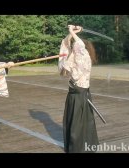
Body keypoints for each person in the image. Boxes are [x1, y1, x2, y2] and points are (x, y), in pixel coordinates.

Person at [58, 25, 99, 153]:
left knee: (78, 124)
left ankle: (78, 149)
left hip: (79, 95)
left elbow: (79, 46)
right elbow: (65, 44)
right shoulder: (77, 59)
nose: (73, 50)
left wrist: (72, 31)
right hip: (76, 94)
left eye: (74, 47)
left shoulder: (84, 57)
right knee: (79, 122)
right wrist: (73, 33)